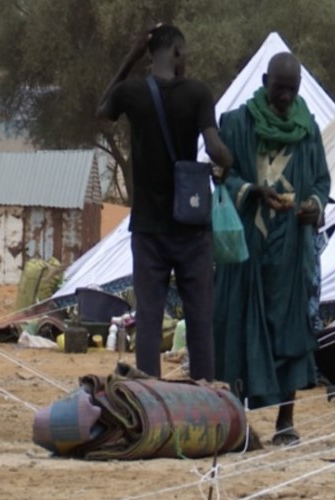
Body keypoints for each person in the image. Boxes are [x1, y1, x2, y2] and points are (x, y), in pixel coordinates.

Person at [96, 25, 233, 381]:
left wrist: (130, 58)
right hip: (191, 226)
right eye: (184, 52)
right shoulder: (198, 92)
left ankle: (148, 397)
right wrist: (228, 162)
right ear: (175, 51)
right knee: (200, 317)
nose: (186, 58)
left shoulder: (131, 92)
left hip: (148, 229)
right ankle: (204, 392)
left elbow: (102, 112)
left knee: (149, 319)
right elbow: (215, 148)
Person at [213, 52, 331, 445]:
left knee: (291, 332)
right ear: (265, 82)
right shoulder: (236, 123)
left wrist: (314, 205)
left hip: (291, 250)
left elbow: (321, 180)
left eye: (291, 91)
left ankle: (286, 421)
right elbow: (222, 175)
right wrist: (252, 191)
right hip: (247, 246)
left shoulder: (307, 129)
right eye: (279, 89)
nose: (285, 97)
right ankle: (237, 423)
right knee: (238, 328)